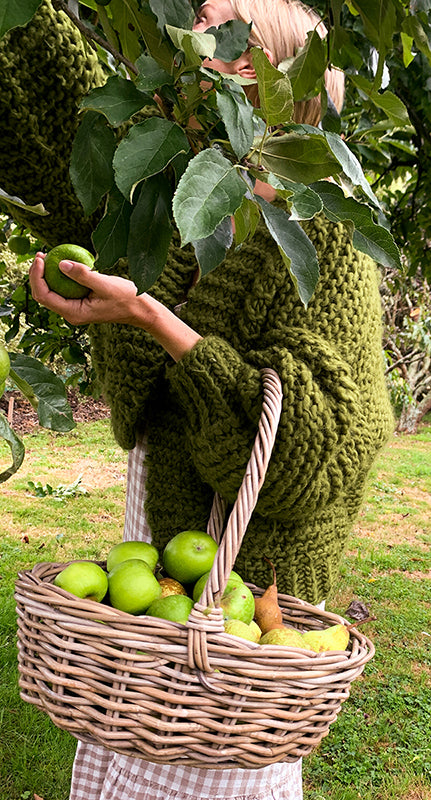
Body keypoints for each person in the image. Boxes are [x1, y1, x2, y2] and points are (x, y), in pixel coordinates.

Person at [1, 1, 394, 798]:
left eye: (213, 33)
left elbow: (309, 453)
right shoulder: (174, 199)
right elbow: (59, 115)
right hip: (167, 546)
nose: (184, 43)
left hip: (254, 583)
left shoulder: (320, 238)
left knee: (202, 766)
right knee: (133, 743)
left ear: (255, 76)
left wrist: (151, 316)